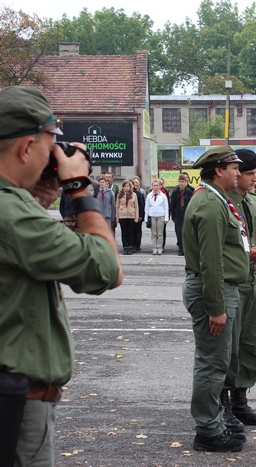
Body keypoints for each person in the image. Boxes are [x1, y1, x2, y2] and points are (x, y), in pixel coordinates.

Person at [0, 85, 123, 465]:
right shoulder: (11, 212)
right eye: (49, 145)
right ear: (25, 148)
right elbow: (107, 268)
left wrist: (36, 199)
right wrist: (80, 188)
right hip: (17, 401)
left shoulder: (15, 209)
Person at [182, 146, 248, 452]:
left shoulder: (214, 198)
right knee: (212, 363)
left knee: (214, 361)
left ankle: (213, 423)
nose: (239, 171)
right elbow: (211, 261)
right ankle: (207, 430)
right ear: (218, 170)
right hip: (215, 289)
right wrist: (217, 307)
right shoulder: (209, 203)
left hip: (221, 287)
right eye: (234, 167)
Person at [223, 148, 256, 428]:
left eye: (255, 174)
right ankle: (225, 405)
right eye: (251, 174)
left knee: (253, 344)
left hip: (253, 280)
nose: (255, 179)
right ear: (237, 173)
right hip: (233, 280)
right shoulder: (222, 201)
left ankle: (240, 400)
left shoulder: (255, 202)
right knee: (229, 348)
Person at [170, 174, 194, 256]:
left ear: (186, 182)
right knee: (179, 231)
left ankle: (186, 248)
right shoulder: (175, 192)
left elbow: (192, 205)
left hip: (186, 213)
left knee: (187, 232)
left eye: (183, 182)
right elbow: (172, 205)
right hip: (178, 214)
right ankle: (181, 247)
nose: (182, 183)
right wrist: (173, 216)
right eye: (180, 182)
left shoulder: (189, 192)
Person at [144, 179, 169, 255]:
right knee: (154, 233)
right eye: (154, 185)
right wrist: (146, 218)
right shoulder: (149, 196)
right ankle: (154, 248)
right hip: (152, 216)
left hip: (160, 216)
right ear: (152, 186)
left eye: (157, 185)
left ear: (159, 186)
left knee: (160, 233)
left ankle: (160, 247)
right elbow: (147, 207)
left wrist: (166, 218)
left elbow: (166, 207)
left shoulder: (163, 196)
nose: (155, 187)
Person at [115, 180, 139, 255]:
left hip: (131, 215)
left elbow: (136, 206)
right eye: (125, 186)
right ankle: (125, 246)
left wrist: (136, 217)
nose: (126, 188)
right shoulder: (120, 195)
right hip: (122, 215)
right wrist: (117, 217)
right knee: (124, 232)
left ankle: (130, 247)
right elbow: (117, 206)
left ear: (130, 187)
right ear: (123, 187)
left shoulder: (134, 195)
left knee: (131, 232)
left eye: (128, 186)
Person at [131, 176, 146, 252]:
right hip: (130, 215)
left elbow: (142, 204)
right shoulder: (129, 193)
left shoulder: (139, 193)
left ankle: (137, 245)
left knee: (137, 231)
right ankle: (132, 244)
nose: (135, 184)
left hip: (138, 215)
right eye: (133, 183)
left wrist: (141, 215)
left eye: (136, 183)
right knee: (131, 230)